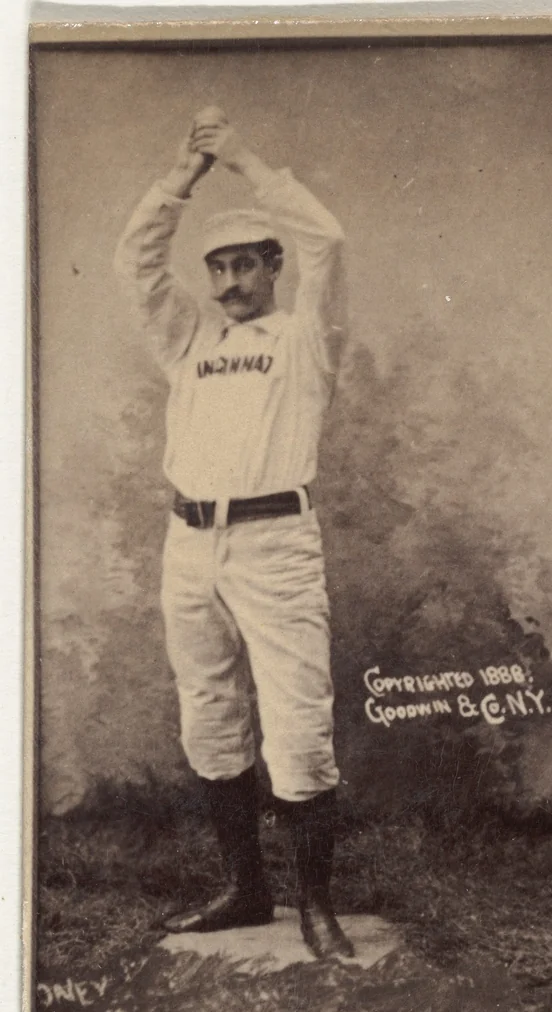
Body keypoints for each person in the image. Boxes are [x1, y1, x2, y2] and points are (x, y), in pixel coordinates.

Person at [114, 107, 353, 959]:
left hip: (273, 543)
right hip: (189, 544)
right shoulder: (191, 337)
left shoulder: (306, 338)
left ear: (273, 265)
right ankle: (246, 889)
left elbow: (327, 239)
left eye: (245, 263)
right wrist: (185, 175)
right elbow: (136, 261)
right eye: (217, 267)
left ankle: (315, 906)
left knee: (297, 726)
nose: (228, 282)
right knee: (209, 717)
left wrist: (244, 160)